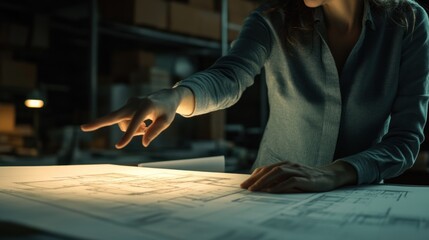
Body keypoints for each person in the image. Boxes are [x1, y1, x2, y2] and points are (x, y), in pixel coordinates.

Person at [81, 0, 429, 193]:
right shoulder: (272, 19)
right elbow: (229, 77)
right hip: (269, 194)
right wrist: (175, 97)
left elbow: (404, 141)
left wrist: (335, 173)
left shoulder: (408, 23)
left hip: (359, 199)